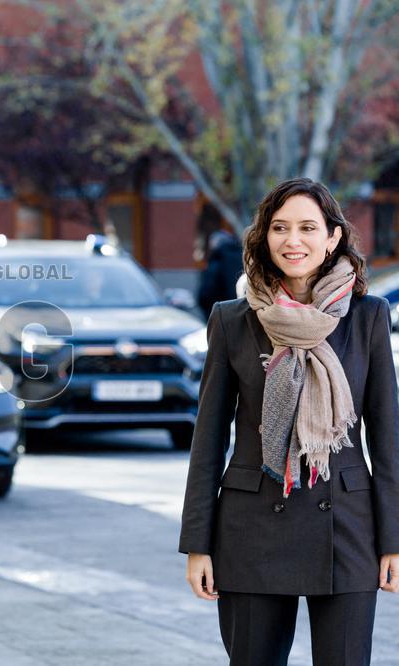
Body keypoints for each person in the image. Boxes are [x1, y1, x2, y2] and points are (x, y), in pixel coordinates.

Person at [180, 177, 399, 665]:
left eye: (307, 227)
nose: (292, 240)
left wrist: (394, 541)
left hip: (346, 527)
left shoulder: (367, 317)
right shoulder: (232, 320)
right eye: (280, 228)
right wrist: (197, 544)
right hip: (252, 527)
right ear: (264, 236)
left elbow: (388, 438)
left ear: (332, 237)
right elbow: (208, 439)